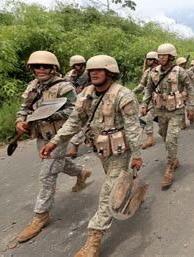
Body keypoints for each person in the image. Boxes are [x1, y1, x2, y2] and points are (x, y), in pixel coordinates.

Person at [40, 55, 143, 257]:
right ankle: (121, 193)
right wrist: (54, 142)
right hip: (102, 150)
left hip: (121, 151)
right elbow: (74, 121)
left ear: (110, 72)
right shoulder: (86, 94)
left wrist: (137, 154)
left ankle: (94, 240)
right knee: (112, 183)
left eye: (99, 70)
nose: (94, 73)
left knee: (107, 192)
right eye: (91, 70)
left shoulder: (124, 95)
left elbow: (133, 127)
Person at [14, 51, 91, 244]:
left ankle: (41, 215)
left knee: (47, 174)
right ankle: (81, 172)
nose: (41, 69)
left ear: (53, 68)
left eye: (45, 66)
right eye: (36, 66)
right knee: (56, 163)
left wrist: (48, 115)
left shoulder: (64, 87)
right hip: (41, 134)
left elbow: (75, 110)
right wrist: (20, 121)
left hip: (59, 135)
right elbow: (24, 107)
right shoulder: (32, 86)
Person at [141, 43, 194, 188]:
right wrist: (145, 104)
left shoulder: (180, 72)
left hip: (176, 111)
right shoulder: (154, 73)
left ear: (171, 57)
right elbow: (148, 89)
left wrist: (190, 108)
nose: (161, 58)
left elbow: (190, 89)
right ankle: (174, 159)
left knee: (171, 138)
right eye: (160, 55)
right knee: (164, 135)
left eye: (164, 55)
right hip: (160, 110)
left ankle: (170, 166)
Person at [65, 55, 92, 158]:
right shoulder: (69, 76)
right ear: (73, 66)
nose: (81, 67)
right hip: (74, 102)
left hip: (88, 101)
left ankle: (74, 148)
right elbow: (65, 88)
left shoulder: (88, 74)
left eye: (82, 64)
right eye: (78, 65)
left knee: (83, 123)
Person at [133, 51, 159, 149]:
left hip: (162, 99)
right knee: (148, 116)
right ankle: (150, 138)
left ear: (156, 60)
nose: (148, 61)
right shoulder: (147, 72)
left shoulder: (162, 71)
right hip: (150, 99)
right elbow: (141, 86)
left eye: (150, 59)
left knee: (164, 120)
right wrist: (131, 93)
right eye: (147, 59)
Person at [176, 57, 189, 130]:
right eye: (182, 64)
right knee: (180, 107)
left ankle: (189, 117)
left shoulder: (188, 71)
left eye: (184, 64)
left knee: (187, 107)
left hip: (187, 91)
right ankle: (182, 122)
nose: (184, 65)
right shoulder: (175, 72)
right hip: (179, 93)